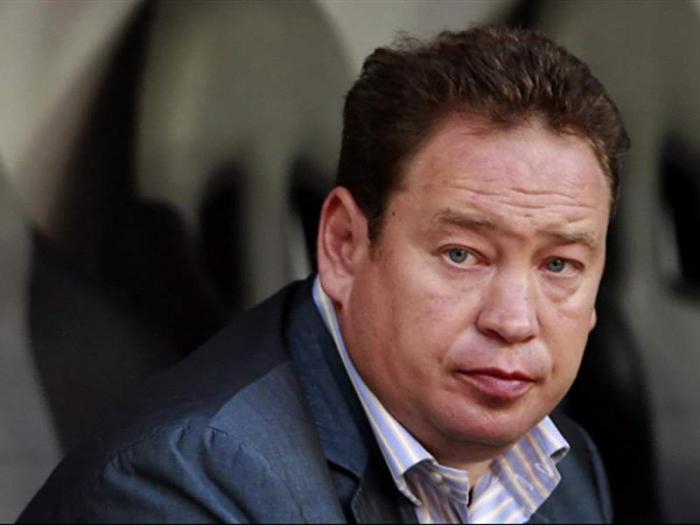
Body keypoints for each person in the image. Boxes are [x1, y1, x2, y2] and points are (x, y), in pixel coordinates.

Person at [19, 25, 629, 524]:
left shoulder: (564, 466)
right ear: (343, 246)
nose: (514, 321)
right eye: (462, 255)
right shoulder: (179, 488)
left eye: (559, 265)